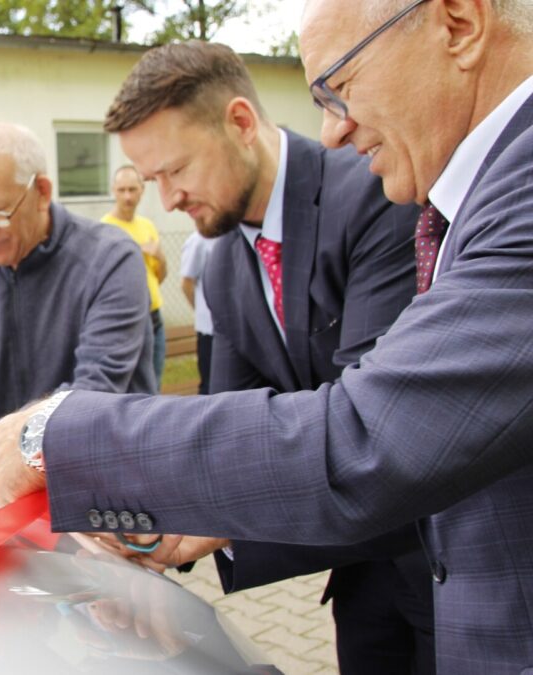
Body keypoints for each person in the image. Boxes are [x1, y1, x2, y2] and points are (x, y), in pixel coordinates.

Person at [0, 0, 533, 670]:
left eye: (340, 87)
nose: (331, 130)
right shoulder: (224, 260)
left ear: (459, 24)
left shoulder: (447, 196)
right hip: (388, 596)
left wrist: (60, 434)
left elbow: (368, 435)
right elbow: (244, 422)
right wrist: (169, 524)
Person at [90, 42, 437, 673]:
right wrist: (142, 529)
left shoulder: (372, 193)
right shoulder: (223, 263)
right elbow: (231, 425)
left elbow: (373, 427)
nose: (166, 200)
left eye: (174, 170)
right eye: (150, 181)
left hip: (449, 572)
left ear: (241, 123)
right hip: (361, 582)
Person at [0, 122, 156, 485]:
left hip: (110, 477)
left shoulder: (110, 259)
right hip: (23, 485)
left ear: (42, 192)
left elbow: (95, 390)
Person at [101, 166, 168, 388]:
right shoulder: (105, 228)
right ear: (113, 191)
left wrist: (160, 256)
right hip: (127, 320)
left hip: (155, 317)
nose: (127, 196)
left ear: (142, 190)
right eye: (122, 190)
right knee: (132, 390)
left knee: (153, 385)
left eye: (132, 189)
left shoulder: (147, 225)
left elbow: (160, 276)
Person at [178, 232, 215, 395]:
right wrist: (200, 310)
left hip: (237, 330)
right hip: (210, 330)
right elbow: (187, 283)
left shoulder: (236, 235)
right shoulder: (199, 241)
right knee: (210, 385)